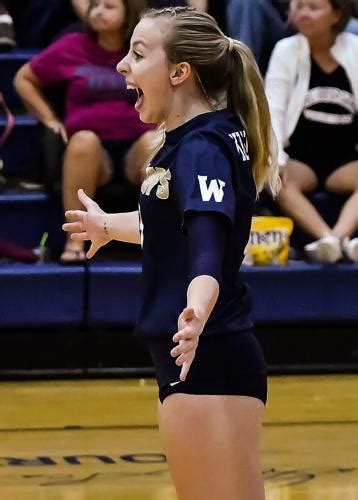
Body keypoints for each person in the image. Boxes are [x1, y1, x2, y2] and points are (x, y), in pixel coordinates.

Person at [64, 6, 280, 499]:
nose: (122, 66)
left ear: (180, 72)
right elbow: (174, 222)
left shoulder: (202, 147)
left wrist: (197, 311)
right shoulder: (200, 138)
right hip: (210, 351)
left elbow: (207, 249)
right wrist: (107, 225)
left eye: (138, 55)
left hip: (202, 357)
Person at [14, 0, 154, 263]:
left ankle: (165, 238)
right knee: (83, 142)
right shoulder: (72, 46)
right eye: (95, 5)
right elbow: (24, 78)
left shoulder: (144, 51)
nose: (98, 10)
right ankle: (75, 240)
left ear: (128, 14)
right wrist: (50, 119)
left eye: (109, 6)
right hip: (93, 150)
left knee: (155, 143)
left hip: (136, 145)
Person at [265, 0, 358, 263]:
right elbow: (273, 109)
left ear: (336, 14)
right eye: (299, 5)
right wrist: (278, 158)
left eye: (314, 8)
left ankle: (337, 237)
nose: (303, 13)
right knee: (278, 181)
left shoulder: (355, 50)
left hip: (345, 160)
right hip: (301, 158)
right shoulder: (286, 50)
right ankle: (328, 237)